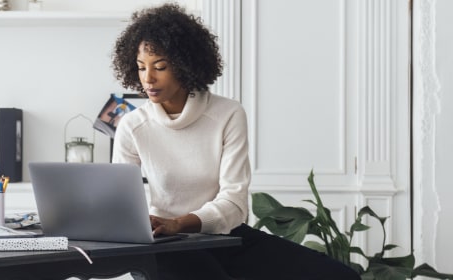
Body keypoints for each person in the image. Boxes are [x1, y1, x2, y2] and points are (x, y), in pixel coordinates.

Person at [111, 3, 361, 280]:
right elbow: (121, 205)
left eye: (160, 66)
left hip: (225, 235)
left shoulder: (227, 114)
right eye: (141, 67)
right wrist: (160, 227)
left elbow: (234, 202)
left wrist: (179, 223)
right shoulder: (133, 126)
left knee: (338, 276)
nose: (148, 78)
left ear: (184, 65)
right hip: (164, 246)